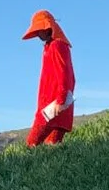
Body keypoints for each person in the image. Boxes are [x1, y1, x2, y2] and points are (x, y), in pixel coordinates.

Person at [22, 10, 75, 145]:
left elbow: (63, 73)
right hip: (60, 105)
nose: (38, 34)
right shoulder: (55, 45)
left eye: (40, 30)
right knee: (52, 148)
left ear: (49, 27)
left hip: (52, 106)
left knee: (31, 145)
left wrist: (60, 99)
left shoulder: (56, 45)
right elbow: (71, 77)